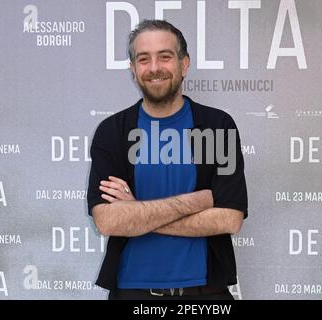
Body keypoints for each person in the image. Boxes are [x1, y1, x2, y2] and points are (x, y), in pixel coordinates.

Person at [87, 19, 248, 300]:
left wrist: (137, 214)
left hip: (205, 294)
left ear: (184, 64)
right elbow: (108, 221)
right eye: (143, 59)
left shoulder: (218, 126)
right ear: (133, 69)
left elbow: (230, 219)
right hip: (132, 292)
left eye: (165, 56)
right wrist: (199, 200)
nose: (154, 68)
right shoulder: (112, 132)